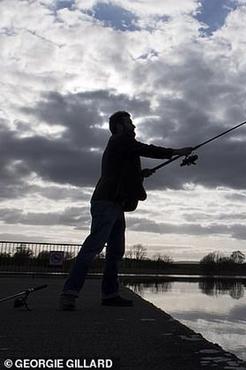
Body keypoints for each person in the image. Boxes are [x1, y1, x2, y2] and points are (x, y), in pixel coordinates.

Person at [59, 111, 192, 310]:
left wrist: (141, 174)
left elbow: (121, 171)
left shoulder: (122, 145)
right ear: (119, 126)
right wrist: (176, 151)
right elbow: (146, 149)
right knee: (93, 248)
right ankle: (69, 295)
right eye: (130, 122)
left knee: (115, 252)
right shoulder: (121, 140)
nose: (134, 126)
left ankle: (110, 295)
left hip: (116, 204)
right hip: (107, 202)